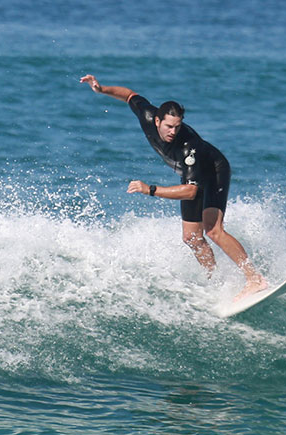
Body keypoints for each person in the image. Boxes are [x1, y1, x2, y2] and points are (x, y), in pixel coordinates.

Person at [80, 74, 266, 300]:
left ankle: (255, 279)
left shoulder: (189, 146)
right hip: (191, 177)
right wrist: (102, 89)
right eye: (169, 126)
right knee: (191, 237)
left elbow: (190, 192)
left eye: (177, 127)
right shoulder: (147, 114)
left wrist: (150, 189)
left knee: (213, 230)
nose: (173, 132)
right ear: (157, 121)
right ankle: (214, 279)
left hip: (213, 172)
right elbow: (130, 95)